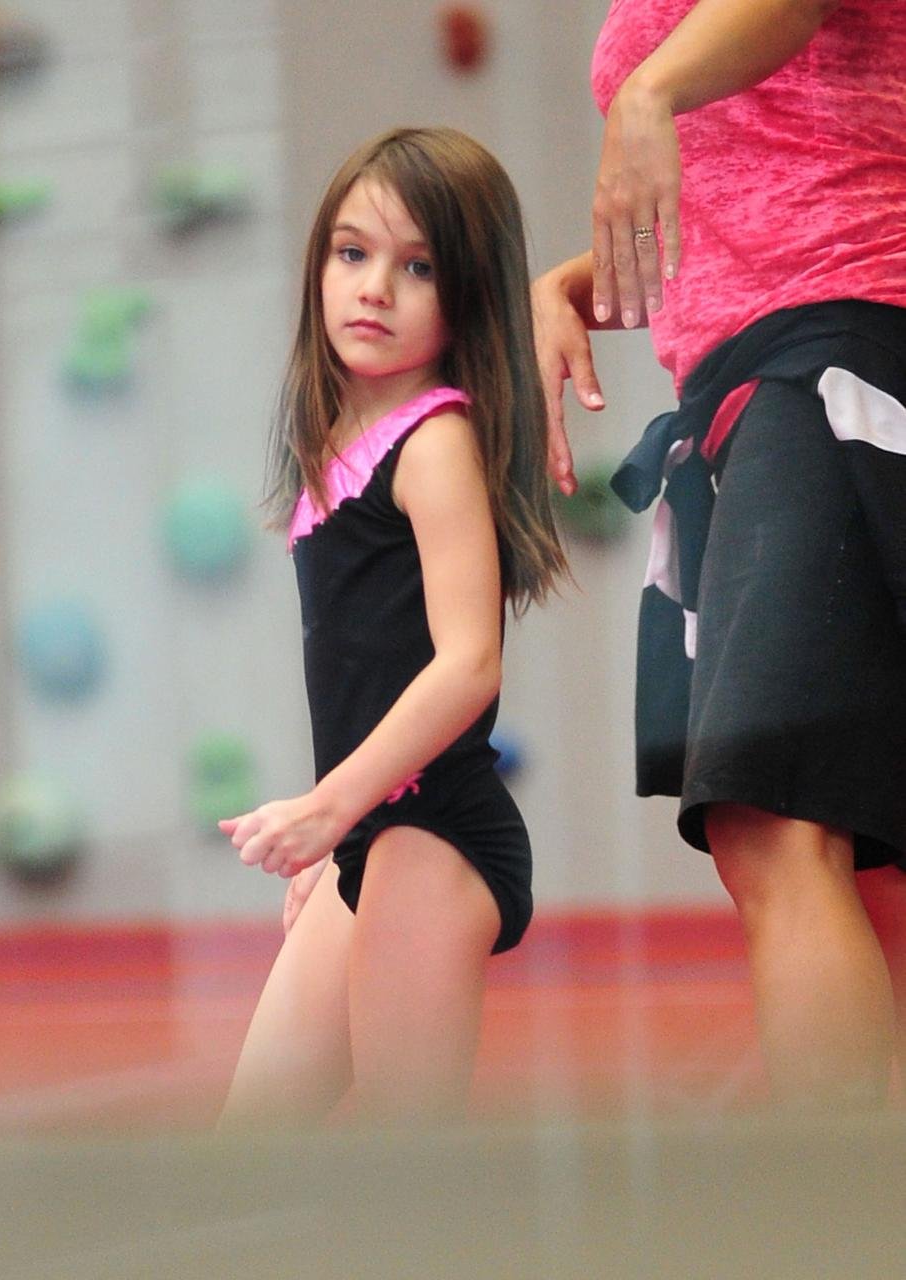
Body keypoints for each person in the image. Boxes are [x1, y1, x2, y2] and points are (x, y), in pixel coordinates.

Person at [532, 0, 906, 1107]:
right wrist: (573, 280)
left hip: (836, 349)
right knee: (855, 844)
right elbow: (771, 167)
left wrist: (648, 93)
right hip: (771, 365)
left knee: (776, 813)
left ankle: (831, 1225)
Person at [218, 127, 567, 1124]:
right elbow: (366, 667)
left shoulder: (435, 441)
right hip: (371, 832)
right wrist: (339, 835)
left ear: (466, 296)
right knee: (248, 1146)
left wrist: (331, 806)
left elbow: (467, 665)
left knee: (408, 1164)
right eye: (352, 252)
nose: (374, 287)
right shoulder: (339, 439)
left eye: (417, 266)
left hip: (434, 833)